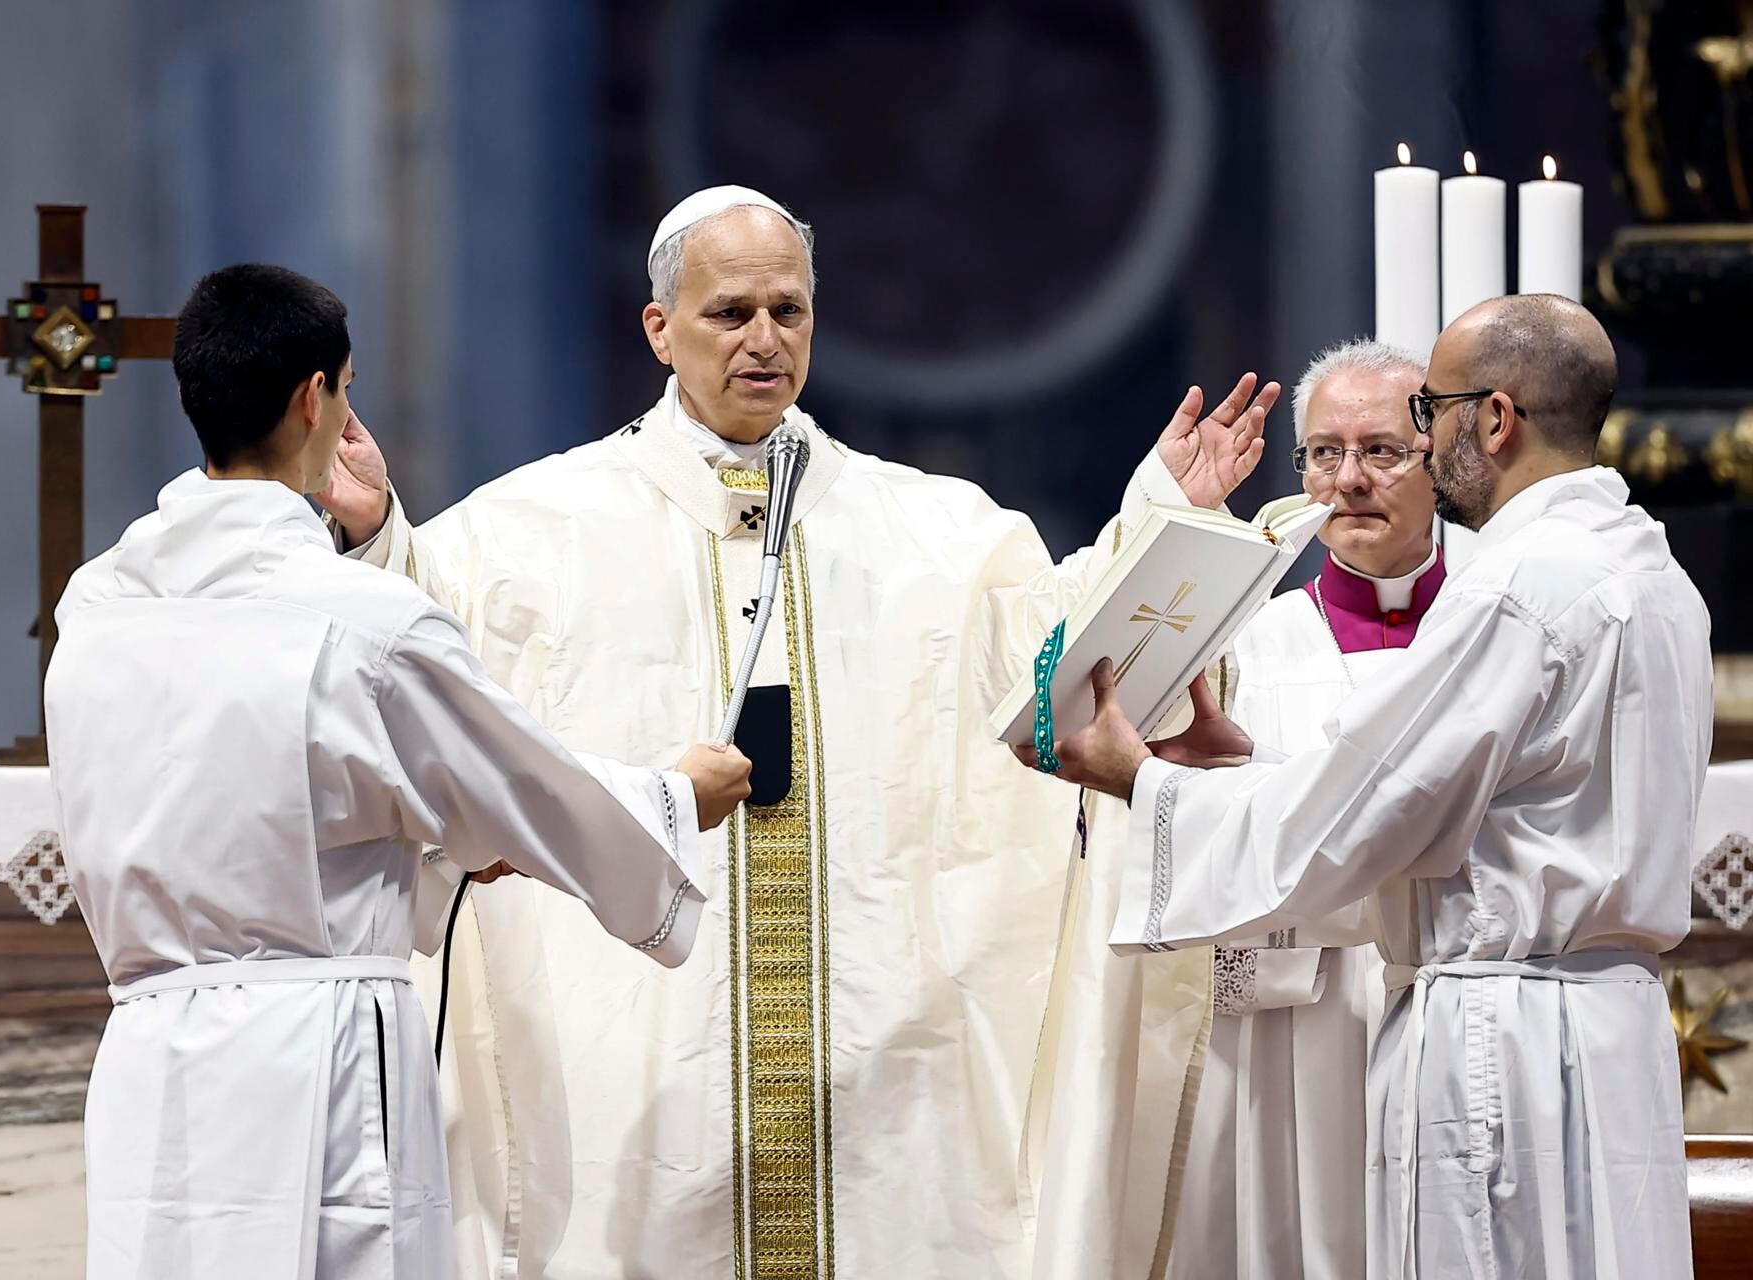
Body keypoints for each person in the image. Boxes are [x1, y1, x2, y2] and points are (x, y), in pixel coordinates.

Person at [317, 186, 1276, 1277]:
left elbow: (1052, 657)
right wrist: (379, 533)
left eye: (790, 309)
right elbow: (424, 649)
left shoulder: (933, 528)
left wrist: (1158, 514)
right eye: (731, 313)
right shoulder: (534, 528)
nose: (766, 339)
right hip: (637, 1059)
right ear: (659, 327)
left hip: (883, 1063)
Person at [44, 264, 751, 1279]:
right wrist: (676, 795)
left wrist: (435, 858)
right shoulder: (363, 624)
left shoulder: (98, 611)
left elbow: (247, 813)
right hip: (321, 1063)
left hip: (155, 1056)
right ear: (314, 398)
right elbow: (526, 786)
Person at [1022, 294, 1709, 1280]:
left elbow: (1364, 810)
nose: (1402, 453)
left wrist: (1149, 784)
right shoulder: (1656, 575)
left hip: (1500, 1038)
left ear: (1497, 418)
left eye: (1422, 419)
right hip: (1602, 1035)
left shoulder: (1515, 588)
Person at [1165, 338, 1438, 1280]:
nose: (1350, 480)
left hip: (1443, 998)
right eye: (1325, 453)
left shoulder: (1494, 618)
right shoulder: (1248, 637)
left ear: (1438, 455)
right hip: (1296, 1028)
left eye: (1382, 451)